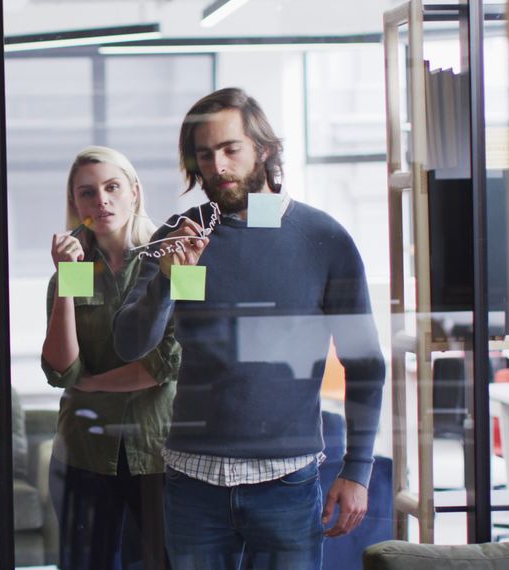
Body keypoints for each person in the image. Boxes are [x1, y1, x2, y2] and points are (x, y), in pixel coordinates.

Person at [113, 88, 386, 569]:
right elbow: (131, 342)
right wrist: (168, 282)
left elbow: (365, 362)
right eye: (204, 154)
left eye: (230, 149)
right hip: (192, 482)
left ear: (263, 149)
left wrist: (357, 471)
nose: (217, 166)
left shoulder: (322, 238)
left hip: (287, 482)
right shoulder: (179, 235)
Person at [42, 146, 181, 570]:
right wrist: (66, 281)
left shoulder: (171, 261)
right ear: (76, 205)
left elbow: (166, 363)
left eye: (112, 187)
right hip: (84, 452)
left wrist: (94, 383)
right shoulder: (73, 269)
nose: (100, 200)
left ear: (134, 192)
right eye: (87, 193)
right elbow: (61, 369)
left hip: (157, 452)